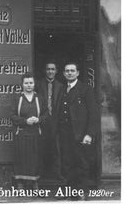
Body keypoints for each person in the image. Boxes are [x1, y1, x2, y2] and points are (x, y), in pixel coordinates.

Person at [52, 62, 97, 200]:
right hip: (65, 134)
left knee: (81, 163)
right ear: (64, 73)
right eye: (67, 71)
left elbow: (93, 113)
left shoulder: (85, 89)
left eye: (72, 70)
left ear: (77, 73)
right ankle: (71, 193)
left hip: (80, 134)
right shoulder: (62, 89)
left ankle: (82, 193)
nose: (70, 73)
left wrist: (89, 134)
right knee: (67, 163)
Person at [11, 72, 48, 190]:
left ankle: (34, 183)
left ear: (34, 84)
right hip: (21, 133)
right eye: (26, 83)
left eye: (31, 83)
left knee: (34, 159)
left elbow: (46, 114)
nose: (29, 85)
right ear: (22, 84)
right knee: (21, 158)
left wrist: (38, 119)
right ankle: (20, 184)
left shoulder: (40, 98)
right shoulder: (17, 98)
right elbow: (12, 116)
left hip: (36, 133)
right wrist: (25, 121)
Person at [35, 62, 64, 180]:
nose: (50, 71)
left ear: (56, 71)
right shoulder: (38, 84)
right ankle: (40, 174)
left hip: (55, 121)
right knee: (41, 147)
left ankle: (57, 174)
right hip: (42, 120)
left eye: (53, 69)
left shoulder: (61, 86)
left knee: (56, 148)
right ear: (45, 70)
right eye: (48, 69)